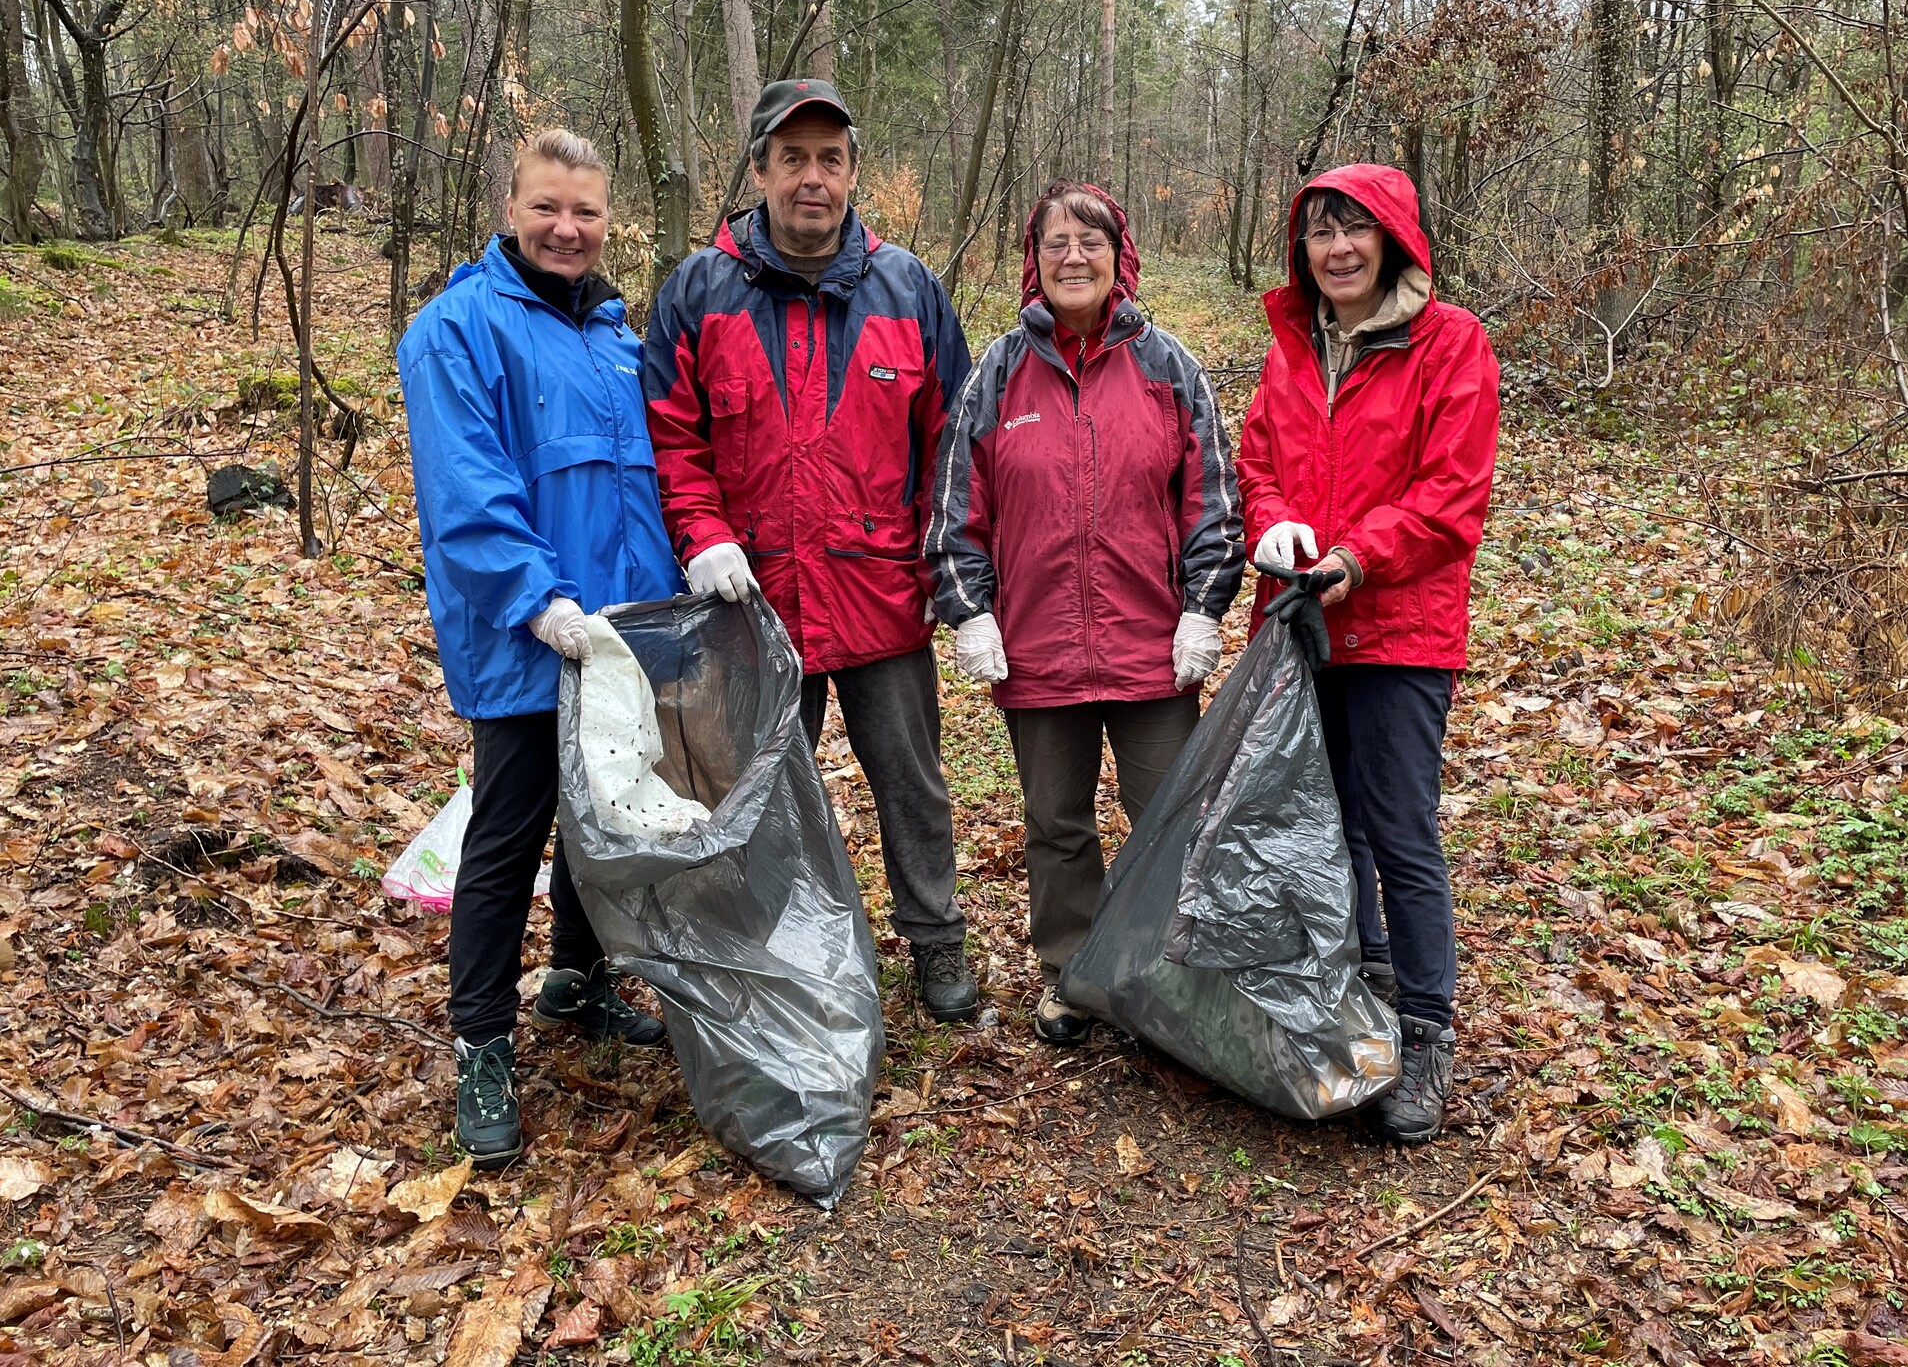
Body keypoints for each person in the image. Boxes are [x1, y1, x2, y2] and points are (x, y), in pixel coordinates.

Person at [640, 79, 980, 1021]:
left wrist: (942, 569)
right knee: (747, 791)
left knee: (911, 782)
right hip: (750, 600)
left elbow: (951, 442)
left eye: (830, 159)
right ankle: (754, 951)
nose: (812, 179)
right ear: (758, 171)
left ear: (854, 172)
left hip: (879, 594)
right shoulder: (698, 292)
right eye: (792, 159)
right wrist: (703, 534)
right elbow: (672, 434)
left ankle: (937, 944)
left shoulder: (907, 288)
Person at [397, 128, 682, 1170]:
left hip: (617, 642)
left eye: (587, 213)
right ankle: (481, 1044)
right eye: (547, 208)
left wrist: (664, 607)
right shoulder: (456, 330)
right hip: (524, 642)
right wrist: (539, 602)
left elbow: (639, 488)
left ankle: (575, 979)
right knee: (509, 837)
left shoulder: (616, 339)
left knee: (602, 824)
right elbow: (467, 494)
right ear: (509, 206)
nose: (568, 229)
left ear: (609, 222)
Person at [928, 182, 1244, 1045]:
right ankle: (1071, 971)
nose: (1074, 255)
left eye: (1090, 240)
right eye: (1056, 242)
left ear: (1119, 255)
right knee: (1055, 823)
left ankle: (1163, 971)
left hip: (1152, 646)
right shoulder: (997, 372)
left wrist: (1204, 608)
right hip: (1036, 651)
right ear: (1035, 260)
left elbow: (1213, 498)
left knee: (1168, 819)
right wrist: (969, 612)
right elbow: (956, 507)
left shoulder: (1168, 365)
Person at [1235, 163, 1500, 1144]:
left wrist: (1357, 555)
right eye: (1320, 232)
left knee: (1398, 825)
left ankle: (1426, 1031)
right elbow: (1260, 461)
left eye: (1355, 229)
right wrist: (1271, 530)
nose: (1338, 248)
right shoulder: (1293, 349)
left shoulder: (1451, 346)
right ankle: (1362, 977)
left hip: (1400, 628)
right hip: (1306, 621)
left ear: (1393, 235)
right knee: (1326, 816)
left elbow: (1450, 497)